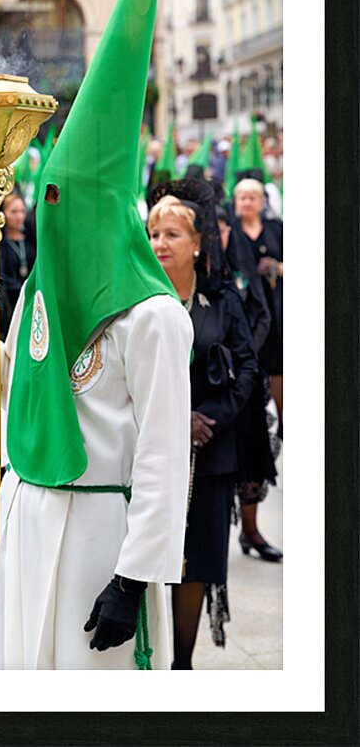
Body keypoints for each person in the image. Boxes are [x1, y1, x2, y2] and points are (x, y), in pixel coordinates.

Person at [0, 0, 192, 671]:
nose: (48, 215)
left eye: (63, 202)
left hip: (100, 541)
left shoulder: (153, 318)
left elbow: (162, 456)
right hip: (27, 518)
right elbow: (9, 385)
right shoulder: (40, 296)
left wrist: (134, 574)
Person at [148, 179, 258, 669]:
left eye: (173, 234)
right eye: (154, 234)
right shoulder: (141, 299)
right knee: (155, 558)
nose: (161, 244)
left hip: (209, 453)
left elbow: (247, 366)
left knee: (196, 564)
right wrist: (174, 419)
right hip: (152, 450)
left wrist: (207, 418)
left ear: (198, 243)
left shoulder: (222, 301)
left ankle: (182, 666)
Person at [217, 207, 281, 562]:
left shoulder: (240, 258)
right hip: (213, 378)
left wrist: (244, 355)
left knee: (254, 455)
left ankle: (251, 532)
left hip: (247, 373)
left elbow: (261, 313)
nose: (222, 234)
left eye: (226, 228)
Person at [233, 177, 283, 427]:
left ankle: (280, 422)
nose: (247, 202)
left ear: (262, 201)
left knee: (277, 363)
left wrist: (277, 267)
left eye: (252, 197)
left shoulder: (276, 228)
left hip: (276, 307)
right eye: (242, 197)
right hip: (245, 309)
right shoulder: (230, 230)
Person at [0, 190, 36, 340]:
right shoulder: (1, 245)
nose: (19, 216)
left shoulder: (30, 241)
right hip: (11, 303)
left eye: (21, 211)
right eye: (13, 212)